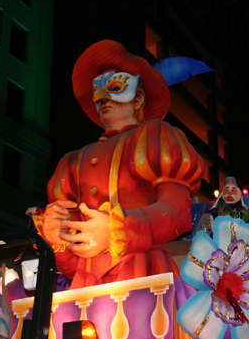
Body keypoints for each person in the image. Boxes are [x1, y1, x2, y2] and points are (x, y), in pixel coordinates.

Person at [27, 40, 204, 289]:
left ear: (138, 98)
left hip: (144, 273)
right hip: (87, 286)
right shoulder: (72, 162)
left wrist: (120, 229)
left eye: (114, 87)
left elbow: (177, 213)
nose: (102, 98)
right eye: (97, 91)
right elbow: (71, 265)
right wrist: (57, 239)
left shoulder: (156, 135)